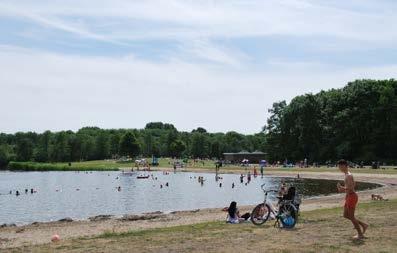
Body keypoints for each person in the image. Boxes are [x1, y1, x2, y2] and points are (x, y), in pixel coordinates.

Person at [337, 159, 368, 240]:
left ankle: (360, 234)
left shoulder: (348, 175)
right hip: (349, 196)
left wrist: (341, 188)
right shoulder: (347, 175)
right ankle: (363, 225)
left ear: (344, 166)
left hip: (352, 196)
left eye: (340, 166)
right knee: (345, 215)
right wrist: (343, 188)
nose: (339, 168)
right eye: (339, 167)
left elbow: (350, 189)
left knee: (351, 216)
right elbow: (353, 185)